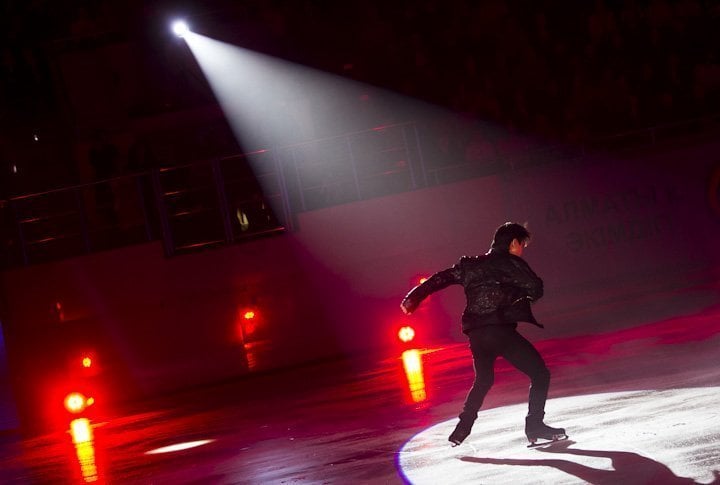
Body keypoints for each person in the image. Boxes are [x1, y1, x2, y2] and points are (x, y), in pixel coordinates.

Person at [400, 222, 566, 446]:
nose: (521, 250)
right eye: (522, 245)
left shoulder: (471, 265)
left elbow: (441, 278)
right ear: (513, 242)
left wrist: (413, 297)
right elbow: (535, 287)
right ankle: (535, 425)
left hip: (477, 335)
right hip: (499, 332)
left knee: (484, 379)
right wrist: (517, 294)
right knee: (540, 374)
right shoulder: (512, 264)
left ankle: (462, 429)